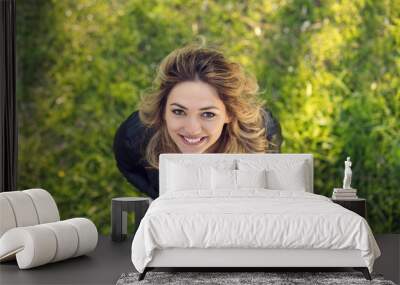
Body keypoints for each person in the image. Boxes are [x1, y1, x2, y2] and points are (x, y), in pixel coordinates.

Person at [113, 45, 283, 199]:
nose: (192, 129)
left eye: (208, 114)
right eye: (179, 111)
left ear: (229, 114)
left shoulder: (262, 138)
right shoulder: (133, 139)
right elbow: (130, 169)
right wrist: (159, 196)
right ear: (162, 110)